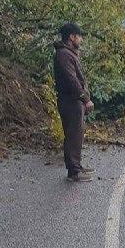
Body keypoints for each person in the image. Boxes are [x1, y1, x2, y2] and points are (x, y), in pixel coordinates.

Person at [53, 22, 95, 182]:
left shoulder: (68, 53)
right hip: (70, 101)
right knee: (73, 135)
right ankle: (74, 172)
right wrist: (85, 98)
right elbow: (72, 80)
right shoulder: (64, 54)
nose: (81, 40)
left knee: (77, 134)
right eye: (79, 36)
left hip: (73, 101)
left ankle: (77, 166)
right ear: (72, 37)